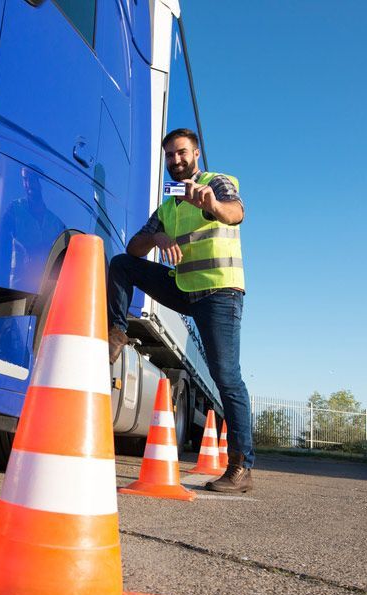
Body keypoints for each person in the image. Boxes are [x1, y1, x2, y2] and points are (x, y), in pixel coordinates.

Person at [107, 128, 254, 493]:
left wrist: (213, 206)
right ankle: (116, 332)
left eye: (182, 153)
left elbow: (235, 213)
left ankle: (241, 466)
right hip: (184, 288)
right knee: (123, 264)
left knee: (226, 376)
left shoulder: (217, 183)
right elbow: (135, 246)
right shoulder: (169, 204)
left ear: (197, 153)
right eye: (170, 155)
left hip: (219, 292)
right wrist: (157, 237)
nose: (176, 160)